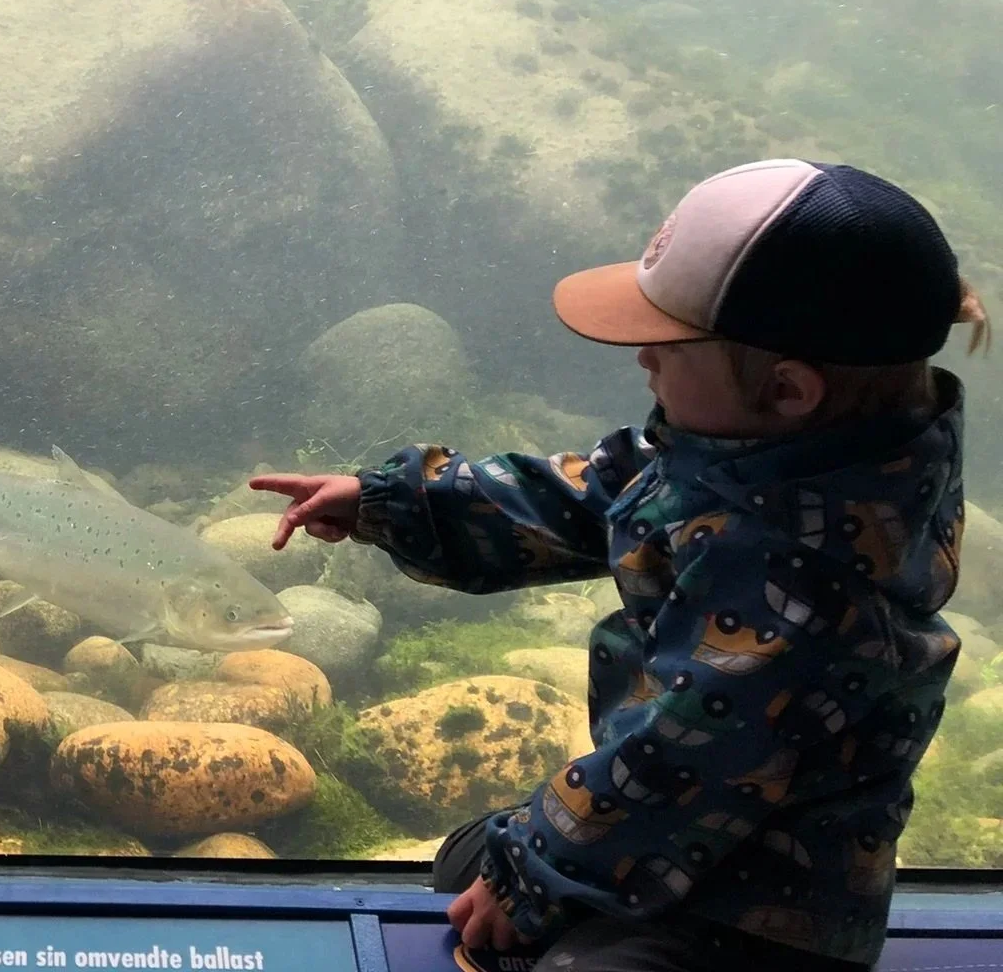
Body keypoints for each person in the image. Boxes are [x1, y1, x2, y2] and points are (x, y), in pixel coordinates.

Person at [255, 158, 992, 972]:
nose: (643, 358)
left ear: (788, 390)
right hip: (690, 814)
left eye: (668, 345)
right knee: (470, 863)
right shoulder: (771, 452)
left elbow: (683, 759)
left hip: (763, 903)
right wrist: (397, 500)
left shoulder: (802, 575)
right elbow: (589, 495)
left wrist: (534, 876)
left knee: (551, 931)